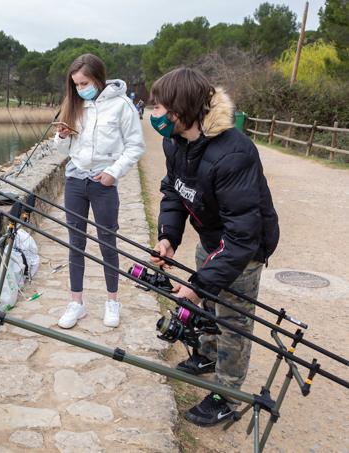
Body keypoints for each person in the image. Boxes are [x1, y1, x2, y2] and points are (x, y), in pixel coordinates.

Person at [148, 68, 279, 426]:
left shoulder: (235, 153)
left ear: (180, 109)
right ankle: (206, 354)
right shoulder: (174, 141)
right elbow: (173, 189)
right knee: (206, 302)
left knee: (233, 318)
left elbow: (241, 238)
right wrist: (167, 237)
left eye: (158, 107)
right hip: (211, 238)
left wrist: (198, 283)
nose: (153, 114)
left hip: (244, 250)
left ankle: (227, 392)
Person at [54, 54, 145, 329]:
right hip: (74, 181)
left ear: (98, 78)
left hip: (103, 184)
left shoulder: (122, 105)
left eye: (84, 83)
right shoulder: (74, 105)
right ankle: (76, 303)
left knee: (107, 242)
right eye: (76, 84)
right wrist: (61, 136)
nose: (81, 88)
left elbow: (135, 146)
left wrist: (113, 172)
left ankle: (112, 301)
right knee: (75, 243)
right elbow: (62, 152)